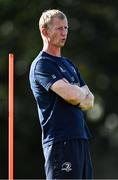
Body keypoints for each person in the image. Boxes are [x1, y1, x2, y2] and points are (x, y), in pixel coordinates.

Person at [29, 9, 94, 179]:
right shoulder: (42, 65)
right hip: (60, 142)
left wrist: (75, 92)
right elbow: (74, 96)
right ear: (45, 31)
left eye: (66, 28)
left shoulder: (68, 64)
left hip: (80, 138)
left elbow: (90, 100)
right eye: (59, 28)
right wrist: (77, 93)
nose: (64, 32)